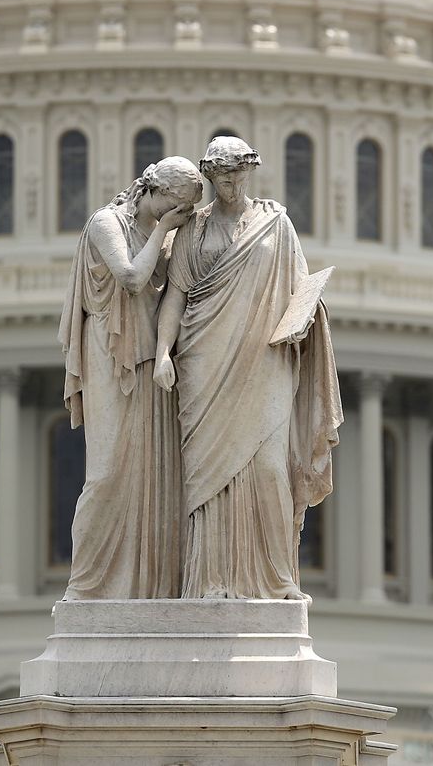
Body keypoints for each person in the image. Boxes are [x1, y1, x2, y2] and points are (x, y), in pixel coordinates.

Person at [155, 137, 342, 600]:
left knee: (268, 469)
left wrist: (304, 320)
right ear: (209, 177)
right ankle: (210, 581)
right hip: (204, 360)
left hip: (266, 357)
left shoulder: (275, 225)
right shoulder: (192, 231)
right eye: (221, 176)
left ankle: (276, 579)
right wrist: (162, 353)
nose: (231, 183)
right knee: (206, 477)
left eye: (238, 174)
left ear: (250, 173)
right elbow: (175, 296)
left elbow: (302, 289)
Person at [58, 156, 203, 599]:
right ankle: (87, 585)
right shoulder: (107, 223)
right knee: (106, 474)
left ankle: (147, 587)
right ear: (152, 191)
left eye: (183, 211)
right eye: (173, 206)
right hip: (111, 354)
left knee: (152, 475)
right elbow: (131, 278)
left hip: (148, 362)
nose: (175, 216)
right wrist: (164, 231)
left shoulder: (165, 235)